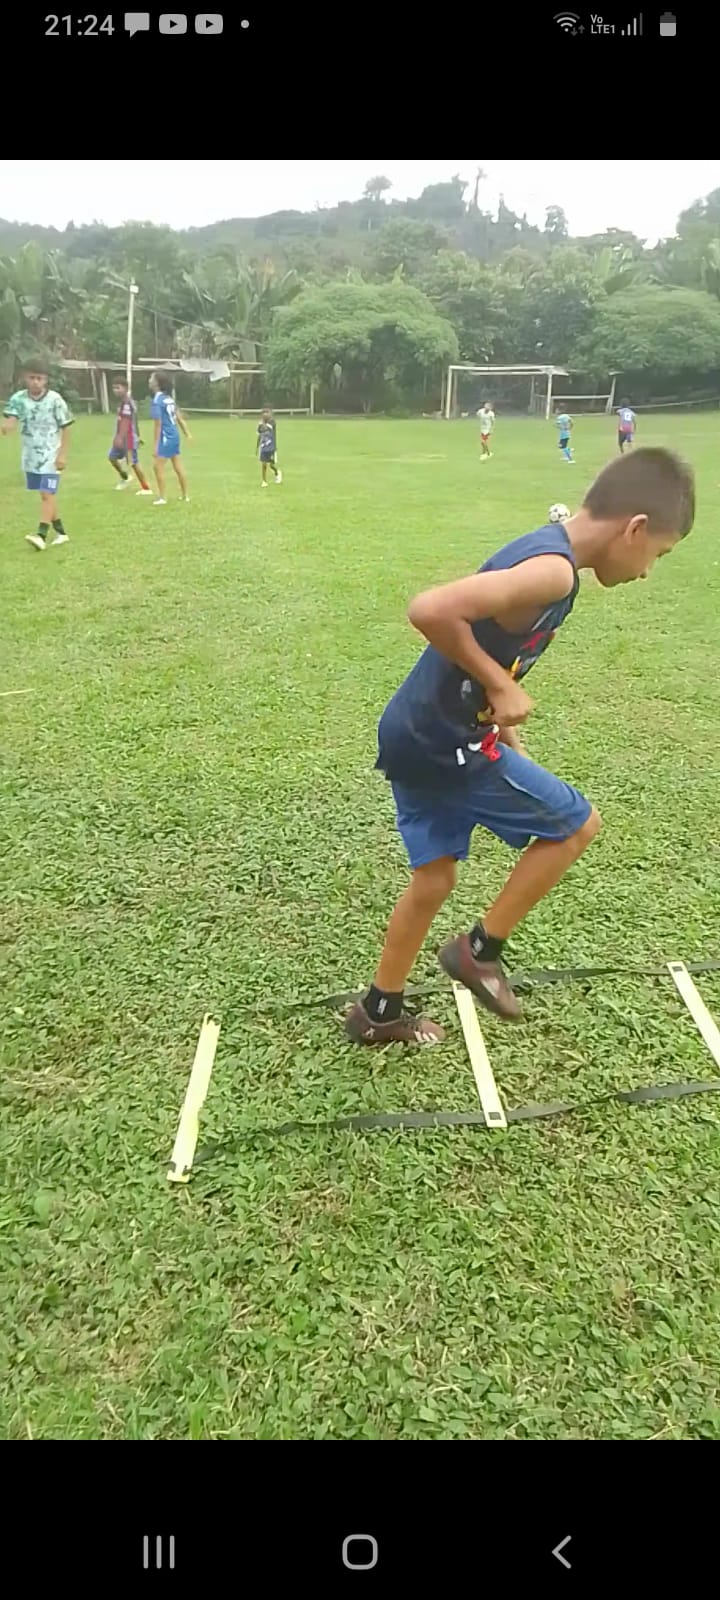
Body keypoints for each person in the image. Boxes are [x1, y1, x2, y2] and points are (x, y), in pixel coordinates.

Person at [345, 448, 695, 1046]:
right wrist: (502, 685)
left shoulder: (548, 552)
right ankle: (478, 952)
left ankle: (378, 1011)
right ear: (635, 528)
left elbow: (484, 652)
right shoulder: (554, 572)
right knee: (577, 825)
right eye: (657, 555)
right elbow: (429, 610)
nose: (646, 573)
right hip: (443, 743)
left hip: (413, 732)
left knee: (434, 881)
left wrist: (508, 731)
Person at [1, 357, 73, 550]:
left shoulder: (55, 400)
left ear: (46, 380)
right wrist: (7, 426)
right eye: (32, 378)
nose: (35, 382)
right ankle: (61, 532)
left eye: (39, 378)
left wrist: (62, 455)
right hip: (31, 456)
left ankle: (41, 534)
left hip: (51, 456)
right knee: (45, 495)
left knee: (47, 493)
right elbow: (11, 419)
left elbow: (66, 427)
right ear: (25, 378)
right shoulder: (18, 399)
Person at [149, 371, 191, 504]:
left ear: (157, 383)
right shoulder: (169, 399)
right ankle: (185, 496)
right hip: (174, 435)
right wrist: (187, 433)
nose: (149, 380)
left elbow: (158, 424)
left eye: (151, 378)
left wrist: (156, 446)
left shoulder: (157, 401)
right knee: (177, 465)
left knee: (157, 467)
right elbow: (179, 418)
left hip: (166, 437)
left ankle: (162, 498)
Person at [109, 378, 151, 494]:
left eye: (118, 388)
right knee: (112, 457)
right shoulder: (123, 402)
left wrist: (120, 437)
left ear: (126, 388)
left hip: (128, 439)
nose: (115, 390)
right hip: (122, 437)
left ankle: (146, 488)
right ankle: (126, 477)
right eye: (114, 388)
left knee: (133, 463)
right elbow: (134, 421)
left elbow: (126, 421)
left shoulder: (127, 403)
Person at [257, 405, 282, 485]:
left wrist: (262, 423)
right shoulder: (261, 423)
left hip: (271, 447)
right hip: (264, 446)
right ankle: (264, 481)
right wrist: (258, 446)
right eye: (263, 413)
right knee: (264, 464)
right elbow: (259, 432)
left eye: (267, 413)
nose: (265, 414)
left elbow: (266, 428)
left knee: (271, 465)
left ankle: (277, 473)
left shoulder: (272, 422)